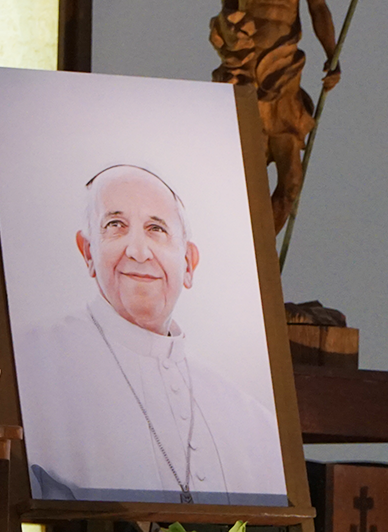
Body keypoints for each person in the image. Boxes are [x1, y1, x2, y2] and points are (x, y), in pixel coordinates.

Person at [24, 164, 287, 506]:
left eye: (156, 229)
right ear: (88, 252)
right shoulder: (30, 364)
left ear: (189, 264)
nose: (138, 251)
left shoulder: (253, 421)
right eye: (115, 226)